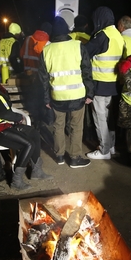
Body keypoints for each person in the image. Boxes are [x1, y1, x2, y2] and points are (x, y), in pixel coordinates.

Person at [39, 17, 94, 168]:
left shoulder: (46, 51)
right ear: (67, 31)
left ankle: (59, 156)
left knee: (58, 126)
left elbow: (43, 79)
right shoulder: (78, 46)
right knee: (76, 127)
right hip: (77, 96)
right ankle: (75, 158)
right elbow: (87, 71)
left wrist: (46, 100)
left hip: (57, 97)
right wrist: (90, 93)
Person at [84, 6, 125, 160]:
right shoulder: (118, 35)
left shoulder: (102, 36)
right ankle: (111, 146)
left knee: (100, 117)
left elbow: (85, 52)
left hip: (100, 83)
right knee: (108, 117)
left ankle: (103, 150)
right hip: (113, 83)